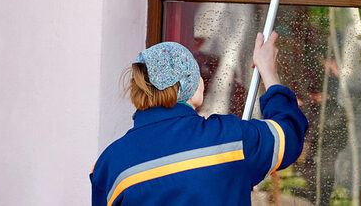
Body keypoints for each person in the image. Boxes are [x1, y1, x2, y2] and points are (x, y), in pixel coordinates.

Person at [90, 31, 309, 206]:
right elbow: (287, 135)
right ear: (191, 85)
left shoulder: (109, 164)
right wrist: (269, 71)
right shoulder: (229, 141)